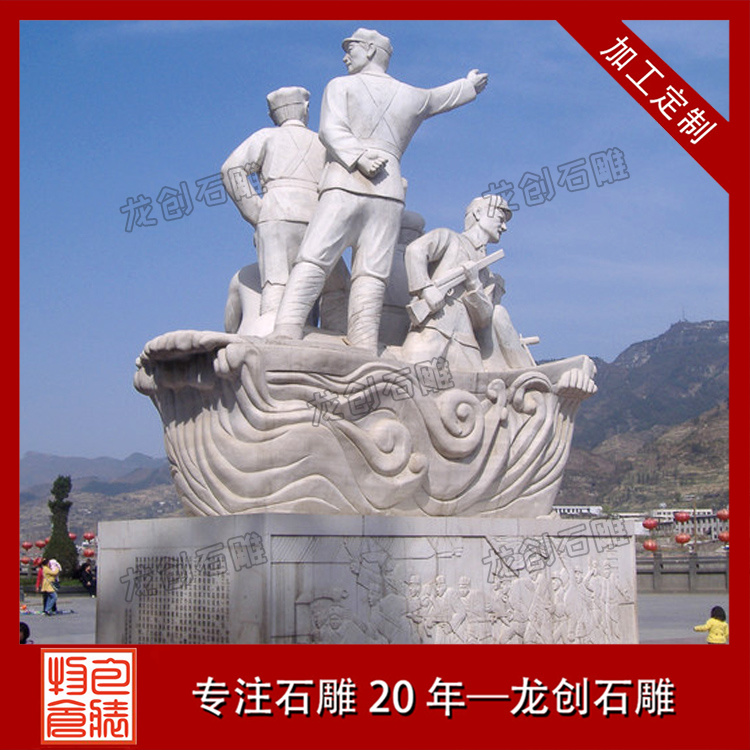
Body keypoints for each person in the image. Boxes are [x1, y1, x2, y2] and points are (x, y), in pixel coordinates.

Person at [272, 28, 488, 353]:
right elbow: (438, 98)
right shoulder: (410, 95)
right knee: (371, 273)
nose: (345, 57)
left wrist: (358, 156)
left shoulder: (340, 86)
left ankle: (287, 330)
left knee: (315, 258)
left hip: (344, 184)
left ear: (371, 50)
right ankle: (362, 342)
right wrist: (468, 85)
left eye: (351, 49)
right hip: (388, 191)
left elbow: (330, 130)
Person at [221, 86, 348, 332]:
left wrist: (257, 212)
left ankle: (272, 335)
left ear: (274, 114)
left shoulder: (266, 136)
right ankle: (336, 336)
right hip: (320, 219)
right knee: (336, 287)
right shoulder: (324, 143)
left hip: (276, 217)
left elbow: (231, 170)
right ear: (305, 109)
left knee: (277, 284)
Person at [400, 194, 534, 372]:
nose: (504, 227)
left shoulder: (487, 274)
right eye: (500, 219)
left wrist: (473, 283)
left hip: (466, 347)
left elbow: (483, 319)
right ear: (478, 213)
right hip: (433, 331)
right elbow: (415, 250)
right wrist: (425, 288)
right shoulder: (450, 238)